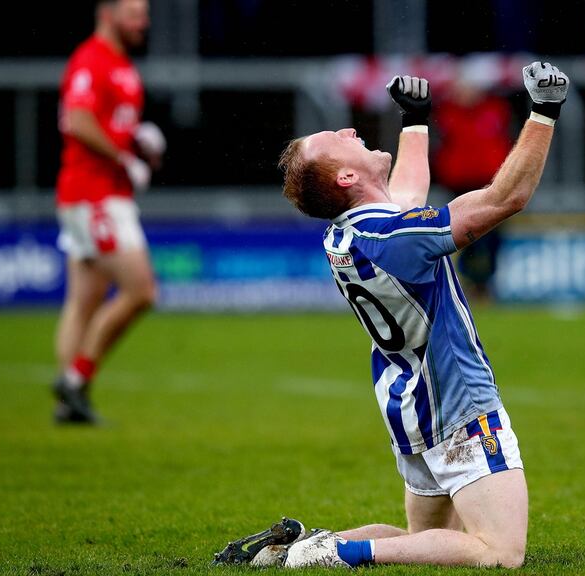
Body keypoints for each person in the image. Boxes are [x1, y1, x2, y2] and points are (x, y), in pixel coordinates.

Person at [220, 61, 567, 569]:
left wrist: (416, 120)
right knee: (500, 553)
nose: (347, 128)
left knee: (418, 541)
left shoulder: (349, 235)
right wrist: (544, 112)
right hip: (457, 404)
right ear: (345, 175)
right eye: (336, 137)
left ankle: (294, 548)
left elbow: (403, 198)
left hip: (408, 406)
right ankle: (336, 552)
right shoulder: (393, 237)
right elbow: (506, 197)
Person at [52, 0, 164, 424]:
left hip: (93, 194)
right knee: (141, 291)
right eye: (135, 13)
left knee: (83, 302)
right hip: (94, 195)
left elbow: (106, 121)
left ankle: (69, 403)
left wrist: (138, 140)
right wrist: (124, 159)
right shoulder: (90, 60)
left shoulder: (122, 66)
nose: (143, 22)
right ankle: (76, 381)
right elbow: (77, 121)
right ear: (107, 13)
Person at [432, 74, 513, 300]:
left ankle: (486, 282)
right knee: (464, 235)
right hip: (461, 184)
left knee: (493, 235)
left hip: (491, 182)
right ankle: (470, 281)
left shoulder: (495, 110)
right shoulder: (447, 113)